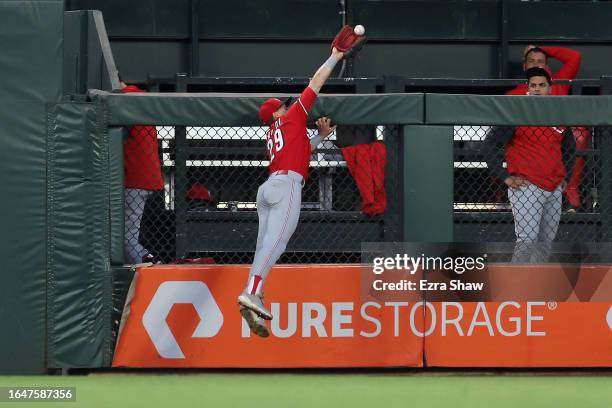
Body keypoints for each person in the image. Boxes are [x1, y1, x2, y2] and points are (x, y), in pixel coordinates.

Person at [236, 47, 348, 337]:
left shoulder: (273, 132)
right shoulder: (291, 117)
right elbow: (317, 81)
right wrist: (335, 56)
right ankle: (251, 292)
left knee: (264, 248)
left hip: (269, 186)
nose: (287, 106)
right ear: (276, 113)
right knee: (277, 244)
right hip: (286, 186)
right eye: (282, 105)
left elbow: (297, 152)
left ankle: (254, 297)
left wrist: (320, 138)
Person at [484, 67, 576, 263]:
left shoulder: (558, 114)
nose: (536, 89)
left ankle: (535, 292)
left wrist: (565, 177)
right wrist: (505, 177)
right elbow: (489, 145)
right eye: (533, 85)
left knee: (545, 243)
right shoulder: (516, 112)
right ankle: (514, 291)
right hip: (526, 186)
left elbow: (570, 150)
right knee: (527, 240)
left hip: (554, 187)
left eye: (541, 85)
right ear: (528, 88)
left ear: (550, 89)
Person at [506, 45, 587, 210]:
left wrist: (540, 48)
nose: (536, 65)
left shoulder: (557, 86)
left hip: (555, 170)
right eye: (531, 61)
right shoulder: (513, 94)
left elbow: (574, 57)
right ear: (524, 66)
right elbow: (497, 139)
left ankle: (571, 188)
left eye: (540, 62)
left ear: (547, 66)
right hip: (527, 170)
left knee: (579, 132)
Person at [121, 79, 164, 264]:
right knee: (130, 234)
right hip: (147, 180)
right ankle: (149, 261)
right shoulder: (143, 100)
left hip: (134, 180)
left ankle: (150, 268)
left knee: (125, 238)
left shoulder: (125, 98)